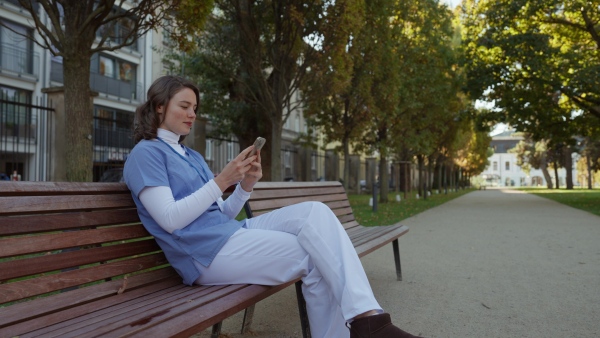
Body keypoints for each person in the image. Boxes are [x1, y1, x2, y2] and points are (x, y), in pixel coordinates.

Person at [123, 75, 422, 338]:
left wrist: (245, 185)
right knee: (313, 254)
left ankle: (367, 318)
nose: (192, 114)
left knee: (314, 213)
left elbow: (221, 213)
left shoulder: (192, 156)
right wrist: (223, 178)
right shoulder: (146, 154)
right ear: (160, 106)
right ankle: (367, 326)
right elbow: (170, 219)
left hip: (229, 234)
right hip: (203, 255)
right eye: (184, 106)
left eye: (195, 109)